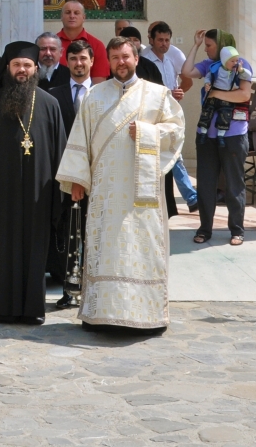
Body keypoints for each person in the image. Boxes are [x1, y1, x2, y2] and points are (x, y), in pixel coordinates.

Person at [57, 37, 185, 331]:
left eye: (126, 56)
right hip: (105, 193)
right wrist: (77, 180)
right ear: (109, 61)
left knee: (142, 248)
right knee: (106, 249)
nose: (121, 63)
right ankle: (100, 313)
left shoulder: (159, 94)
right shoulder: (95, 96)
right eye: (115, 58)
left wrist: (145, 131)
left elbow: (176, 131)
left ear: (136, 58)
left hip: (144, 194)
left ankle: (146, 314)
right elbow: (80, 139)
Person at [0, 41, 68, 324]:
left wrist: (59, 192)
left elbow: (60, 150)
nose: (22, 70)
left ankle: (29, 308)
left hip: (39, 193)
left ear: (36, 69)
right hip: (0, 191)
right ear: (7, 69)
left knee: (33, 250)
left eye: (27, 65)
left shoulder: (50, 104)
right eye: (16, 65)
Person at [182, 29, 252, 246]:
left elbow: (244, 94)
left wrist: (215, 93)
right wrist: (194, 44)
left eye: (209, 45)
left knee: (233, 184)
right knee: (205, 185)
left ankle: (237, 230)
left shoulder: (240, 64)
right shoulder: (208, 65)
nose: (206, 48)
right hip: (206, 135)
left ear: (222, 47)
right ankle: (204, 229)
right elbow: (186, 71)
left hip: (233, 135)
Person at [46, 39, 93, 308]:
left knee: (92, 233)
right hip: (63, 177)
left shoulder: (101, 93)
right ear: (67, 61)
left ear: (91, 61)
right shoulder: (54, 94)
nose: (78, 63)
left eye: (83, 59)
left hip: (96, 177)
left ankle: (92, 291)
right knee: (68, 233)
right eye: (73, 59)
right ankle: (70, 289)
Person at [142, 21, 197, 212]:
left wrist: (179, 93)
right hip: (152, 115)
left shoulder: (171, 56)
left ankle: (191, 198)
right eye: (160, 40)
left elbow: (186, 80)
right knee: (173, 154)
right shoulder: (144, 59)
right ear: (152, 39)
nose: (164, 44)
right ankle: (191, 198)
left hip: (171, 113)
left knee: (173, 153)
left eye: (167, 40)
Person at [195, 47, 251, 144]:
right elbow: (209, 76)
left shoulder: (236, 71)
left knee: (225, 114)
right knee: (207, 112)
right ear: (224, 61)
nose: (235, 63)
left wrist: (241, 70)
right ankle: (204, 133)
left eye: (237, 60)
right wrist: (207, 84)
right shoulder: (216, 69)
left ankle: (221, 135)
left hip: (226, 95)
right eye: (232, 61)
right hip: (213, 93)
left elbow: (247, 75)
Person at [56, 1, 109, 82]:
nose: (72, 16)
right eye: (68, 12)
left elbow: (99, 83)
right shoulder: (52, 45)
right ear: (61, 16)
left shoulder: (97, 45)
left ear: (84, 17)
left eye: (76, 13)